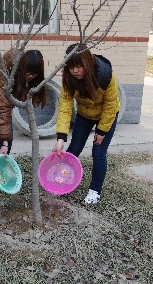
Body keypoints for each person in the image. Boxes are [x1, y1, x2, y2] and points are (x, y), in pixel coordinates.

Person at [52, 44, 120, 204]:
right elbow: (65, 106)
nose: (75, 71)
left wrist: (101, 131)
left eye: (79, 66)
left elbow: (110, 104)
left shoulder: (105, 75)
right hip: (84, 115)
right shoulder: (68, 79)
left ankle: (94, 191)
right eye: (71, 67)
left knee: (98, 152)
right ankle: (61, 180)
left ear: (87, 63)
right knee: (73, 149)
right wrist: (61, 137)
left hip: (106, 115)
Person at [0, 49, 47, 162]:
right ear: (23, 66)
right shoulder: (8, 72)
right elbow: (3, 107)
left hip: (2, 102)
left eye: (34, 74)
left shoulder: (22, 71)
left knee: (6, 140)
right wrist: (5, 142)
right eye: (29, 72)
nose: (31, 76)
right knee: (2, 140)